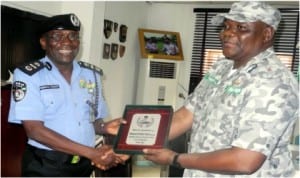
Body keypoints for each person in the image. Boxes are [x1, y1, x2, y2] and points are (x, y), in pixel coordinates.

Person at [143, 1, 299, 177]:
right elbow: (187, 115)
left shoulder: (275, 82)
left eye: (241, 28)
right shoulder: (221, 68)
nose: (227, 33)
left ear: (266, 34)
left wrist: (175, 158)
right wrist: (130, 143)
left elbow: (244, 161)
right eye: (226, 26)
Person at [8, 13, 128, 177]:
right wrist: (92, 153)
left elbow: (90, 120)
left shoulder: (92, 75)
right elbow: (35, 130)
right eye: (57, 36)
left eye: (73, 36)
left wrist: (105, 127)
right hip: (46, 165)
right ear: (44, 42)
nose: (67, 42)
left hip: (84, 165)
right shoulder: (28, 75)